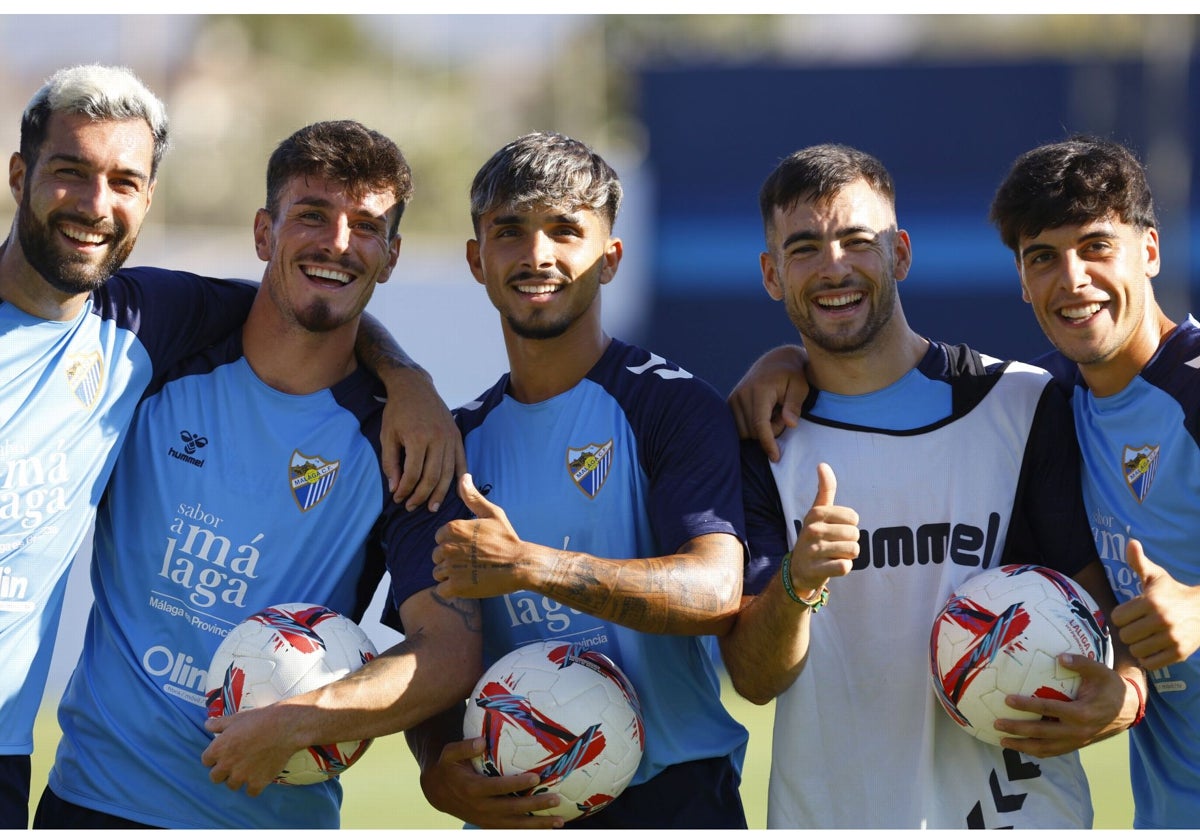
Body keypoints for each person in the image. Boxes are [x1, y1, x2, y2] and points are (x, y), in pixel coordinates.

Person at [0, 65, 458, 830]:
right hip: (93, 806)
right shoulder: (159, 343)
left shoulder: (402, 442)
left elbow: (447, 651)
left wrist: (408, 378)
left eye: (366, 228)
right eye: (310, 215)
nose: (337, 244)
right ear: (262, 232)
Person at [717, 143, 1145, 828]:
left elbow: (1096, 612)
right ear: (772, 274)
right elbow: (755, 678)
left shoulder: (1023, 404)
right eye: (804, 248)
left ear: (901, 253)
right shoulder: (760, 438)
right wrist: (797, 584)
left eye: (859, 240)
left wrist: (1120, 694)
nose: (835, 267)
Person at [406, 131, 749, 829]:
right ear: (477, 259)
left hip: (676, 800)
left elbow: (716, 593)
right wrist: (437, 764)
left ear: (611, 257)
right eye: (510, 231)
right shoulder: (451, 443)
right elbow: (438, 653)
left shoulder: (673, 406)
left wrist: (531, 566)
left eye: (566, 230)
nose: (537, 256)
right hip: (520, 807)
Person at [989, 136, 1200, 829]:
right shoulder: (1041, 406)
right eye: (1043, 257)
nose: (1072, 278)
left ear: (1149, 251)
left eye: (1096, 246)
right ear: (1023, 283)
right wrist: (785, 365)